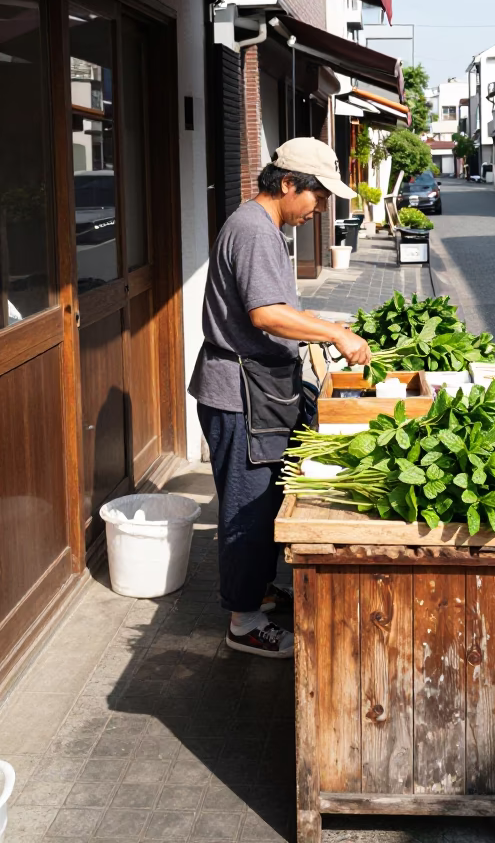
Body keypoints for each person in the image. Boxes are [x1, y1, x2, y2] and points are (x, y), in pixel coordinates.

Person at [188, 138, 372, 658]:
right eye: (316, 196)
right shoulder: (253, 231)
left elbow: (275, 308)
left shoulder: (261, 227)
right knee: (247, 506)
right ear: (288, 184)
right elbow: (266, 314)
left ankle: (259, 591)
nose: (318, 209)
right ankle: (244, 623)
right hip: (240, 393)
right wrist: (333, 334)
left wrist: (319, 327)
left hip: (256, 388)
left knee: (265, 497)